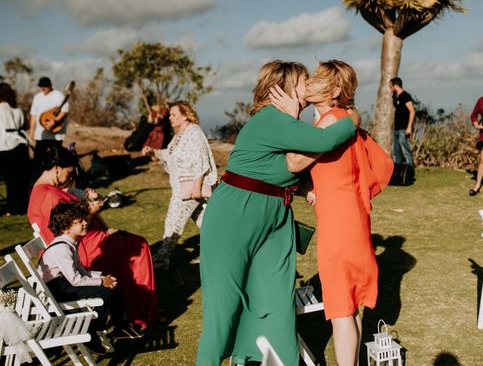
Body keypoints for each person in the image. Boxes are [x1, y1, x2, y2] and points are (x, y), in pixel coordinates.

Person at [197, 60, 361, 366]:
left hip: (275, 217)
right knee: (224, 304)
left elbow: (282, 169)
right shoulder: (270, 119)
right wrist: (352, 118)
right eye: (303, 81)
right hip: (235, 215)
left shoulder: (290, 123)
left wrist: (305, 189)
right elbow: (323, 141)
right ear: (283, 88)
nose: (309, 84)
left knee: (275, 302)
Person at [283, 60, 393, 366]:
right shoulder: (341, 119)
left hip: (339, 225)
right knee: (351, 304)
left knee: (342, 308)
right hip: (351, 218)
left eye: (318, 78)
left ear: (334, 89)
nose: (310, 82)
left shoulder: (332, 121)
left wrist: (293, 112)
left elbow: (292, 162)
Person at [27, 144, 159, 331]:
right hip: (82, 248)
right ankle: (139, 314)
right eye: (69, 172)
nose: (70, 177)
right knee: (138, 246)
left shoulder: (44, 190)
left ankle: (137, 310)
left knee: (130, 242)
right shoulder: (48, 194)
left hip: (83, 242)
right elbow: (67, 227)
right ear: (57, 168)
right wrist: (92, 211)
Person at [38, 202, 122, 354]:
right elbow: (75, 279)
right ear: (65, 228)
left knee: (111, 287)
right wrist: (101, 281)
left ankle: (116, 326)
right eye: (79, 221)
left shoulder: (69, 243)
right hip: (57, 289)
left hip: (64, 283)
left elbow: (80, 270)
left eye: (84, 219)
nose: (85, 223)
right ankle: (91, 332)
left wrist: (101, 276)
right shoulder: (62, 248)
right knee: (106, 292)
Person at [142, 101, 217, 270]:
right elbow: (170, 154)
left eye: (174, 114)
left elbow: (201, 160)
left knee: (172, 222)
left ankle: (162, 259)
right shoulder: (180, 134)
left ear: (185, 115)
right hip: (182, 187)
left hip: (190, 188)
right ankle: (220, 252)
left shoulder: (194, 132)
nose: (170, 117)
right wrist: (153, 151)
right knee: (204, 221)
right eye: (170, 114)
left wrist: (196, 187)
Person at [0, 82, 30, 215]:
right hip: (21, 144)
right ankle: (23, 206)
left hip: (6, 146)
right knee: (22, 179)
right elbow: (25, 126)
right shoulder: (18, 109)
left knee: (11, 180)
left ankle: (13, 208)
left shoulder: (1, 108)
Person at [29, 76, 69, 161]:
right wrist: (32, 130)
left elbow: (65, 111)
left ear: (50, 85)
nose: (43, 88)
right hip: (41, 134)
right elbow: (33, 114)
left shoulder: (58, 95)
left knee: (55, 158)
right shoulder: (37, 97)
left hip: (55, 134)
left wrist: (54, 122)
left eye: (45, 86)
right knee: (38, 158)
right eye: (41, 86)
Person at [389, 77, 415, 168]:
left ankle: (410, 171)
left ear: (395, 86)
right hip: (396, 128)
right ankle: (398, 171)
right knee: (396, 152)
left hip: (403, 129)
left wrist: (409, 127)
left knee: (406, 151)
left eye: (391, 86)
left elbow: (412, 111)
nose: (390, 89)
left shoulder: (405, 96)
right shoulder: (397, 97)